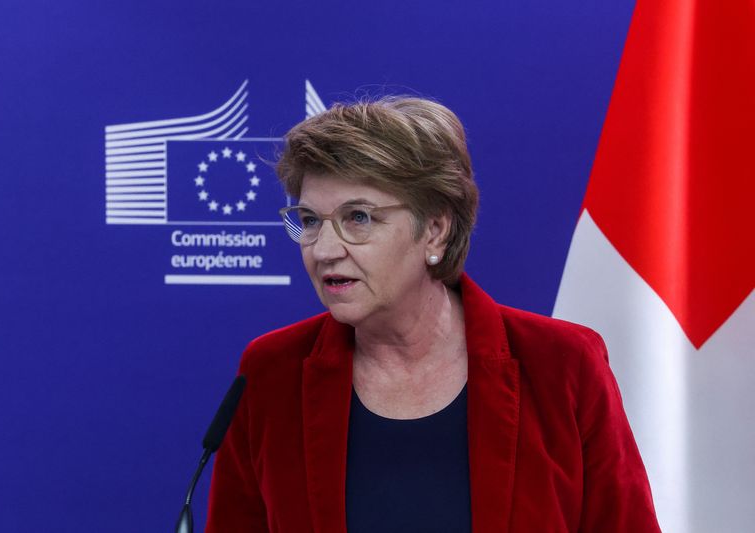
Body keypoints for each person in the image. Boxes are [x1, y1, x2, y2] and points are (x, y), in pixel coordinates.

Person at [205, 97, 661, 532]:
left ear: (436, 231)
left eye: (359, 218)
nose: (323, 249)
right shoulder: (271, 372)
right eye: (309, 221)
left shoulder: (562, 364)